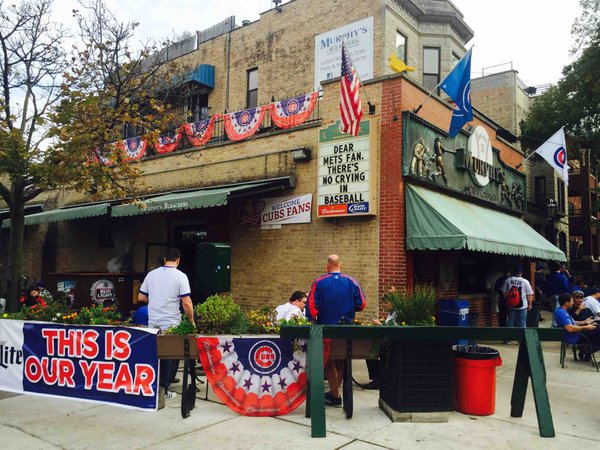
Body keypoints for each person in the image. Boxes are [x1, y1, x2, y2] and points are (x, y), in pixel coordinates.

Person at [138, 248, 196, 409]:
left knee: (157, 355)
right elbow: (186, 302)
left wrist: (155, 298)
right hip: (171, 323)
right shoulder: (180, 276)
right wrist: (191, 321)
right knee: (171, 357)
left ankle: (156, 385)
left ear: (165, 259)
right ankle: (164, 388)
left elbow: (141, 297)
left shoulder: (151, 275)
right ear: (178, 260)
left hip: (154, 322)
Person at [307, 254, 366, 407]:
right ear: (341, 265)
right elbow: (362, 304)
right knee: (341, 361)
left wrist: (314, 319)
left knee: (329, 363)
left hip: (326, 330)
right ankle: (335, 393)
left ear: (327, 266)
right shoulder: (351, 282)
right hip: (346, 331)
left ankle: (335, 395)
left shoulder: (319, 282)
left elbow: (311, 306)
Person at [554, 293, 600, 359]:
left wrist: (585, 322)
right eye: (571, 301)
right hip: (575, 337)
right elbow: (570, 328)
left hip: (576, 334)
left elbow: (571, 323)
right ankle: (586, 350)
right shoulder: (562, 313)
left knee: (597, 329)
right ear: (566, 303)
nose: (572, 303)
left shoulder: (561, 311)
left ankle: (587, 350)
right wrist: (586, 327)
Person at [544, 261, 570, 326]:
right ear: (560, 268)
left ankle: (555, 323)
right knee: (557, 310)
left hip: (550, 295)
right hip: (559, 295)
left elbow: (546, 285)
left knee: (554, 309)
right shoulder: (562, 277)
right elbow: (565, 286)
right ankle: (555, 324)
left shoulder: (549, 276)